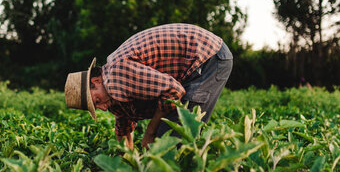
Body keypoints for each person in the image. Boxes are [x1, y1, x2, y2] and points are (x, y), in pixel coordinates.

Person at [64, 23, 233, 149]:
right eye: (96, 107)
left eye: (97, 102)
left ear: (96, 81)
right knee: (168, 135)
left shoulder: (116, 75)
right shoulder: (111, 94)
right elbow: (124, 127)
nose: (102, 108)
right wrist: (127, 159)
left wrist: (150, 133)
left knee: (171, 138)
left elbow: (173, 91)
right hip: (197, 62)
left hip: (207, 56)